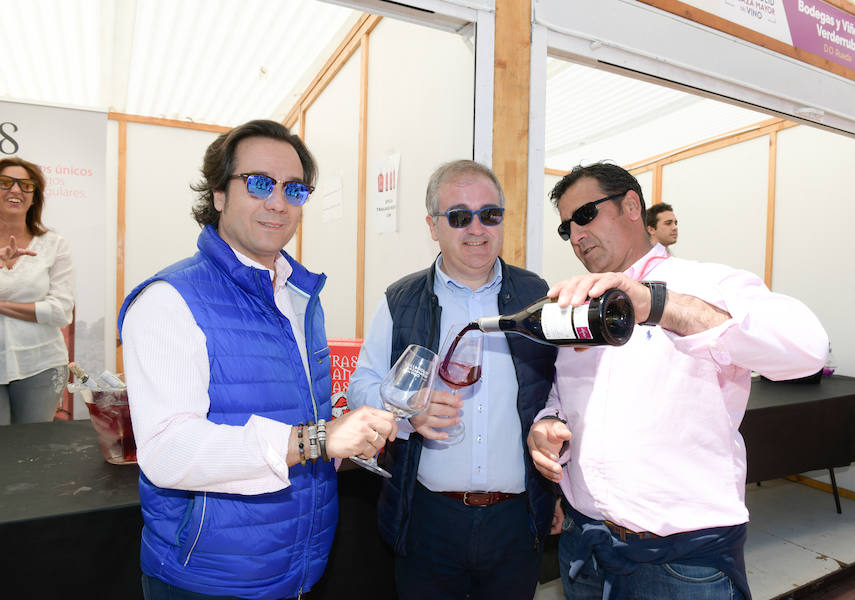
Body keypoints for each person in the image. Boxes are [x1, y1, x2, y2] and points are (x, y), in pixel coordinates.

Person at [118, 120, 398, 600]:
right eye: (260, 183)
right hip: (210, 576)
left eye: (294, 189)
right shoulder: (170, 300)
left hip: (298, 565)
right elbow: (167, 451)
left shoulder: (298, 295)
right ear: (219, 195)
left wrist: (340, 434)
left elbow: (293, 421)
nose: (278, 202)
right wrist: (316, 439)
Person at [529, 161, 828, 600]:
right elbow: (564, 391)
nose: (576, 235)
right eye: (566, 228)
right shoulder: (579, 306)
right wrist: (547, 423)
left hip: (682, 559)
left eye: (586, 215)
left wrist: (657, 304)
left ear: (631, 205)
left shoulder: (706, 282)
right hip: (586, 545)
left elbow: (807, 348)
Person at [347, 160, 558, 600]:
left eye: (490, 214)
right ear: (433, 226)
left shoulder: (536, 295)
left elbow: (558, 389)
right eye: (460, 216)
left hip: (516, 521)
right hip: (427, 517)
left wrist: (560, 491)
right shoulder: (400, 300)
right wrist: (407, 412)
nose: (477, 228)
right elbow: (361, 384)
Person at [0, 157, 74, 425]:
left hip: (41, 365)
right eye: (5, 183)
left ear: (34, 197)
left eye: (26, 185)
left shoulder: (54, 245)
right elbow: (46, 310)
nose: (16, 190)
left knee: (32, 451)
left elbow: (60, 312)